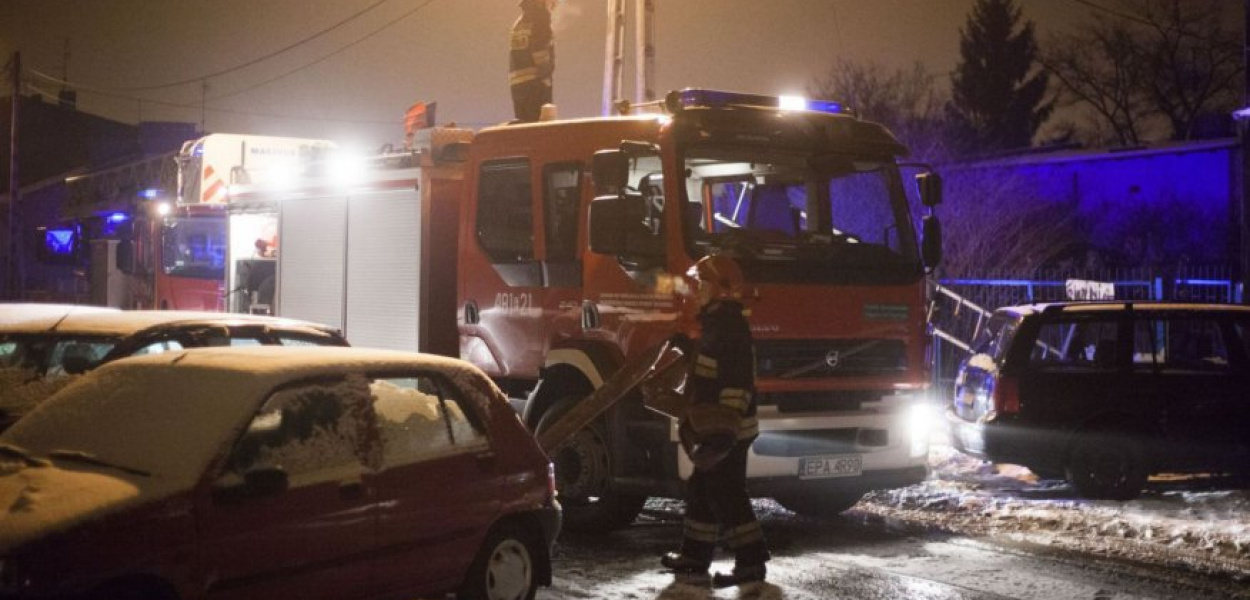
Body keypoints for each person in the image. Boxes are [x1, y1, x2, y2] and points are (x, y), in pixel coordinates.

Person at [661, 254, 770, 588]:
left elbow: (736, 384)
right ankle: (695, 556)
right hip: (717, 426)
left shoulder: (729, 326)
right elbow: (710, 370)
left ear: (722, 289)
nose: (699, 290)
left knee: (726, 493)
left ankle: (751, 561)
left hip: (728, 429)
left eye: (704, 284)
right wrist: (688, 347)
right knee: (702, 489)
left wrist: (724, 432)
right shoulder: (716, 322)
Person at [509, 0, 555, 122]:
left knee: (524, 129)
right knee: (540, 131)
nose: (553, 4)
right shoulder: (540, 17)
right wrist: (545, 77)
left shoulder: (520, 22)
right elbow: (540, 49)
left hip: (518, 86)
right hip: (536, 85)